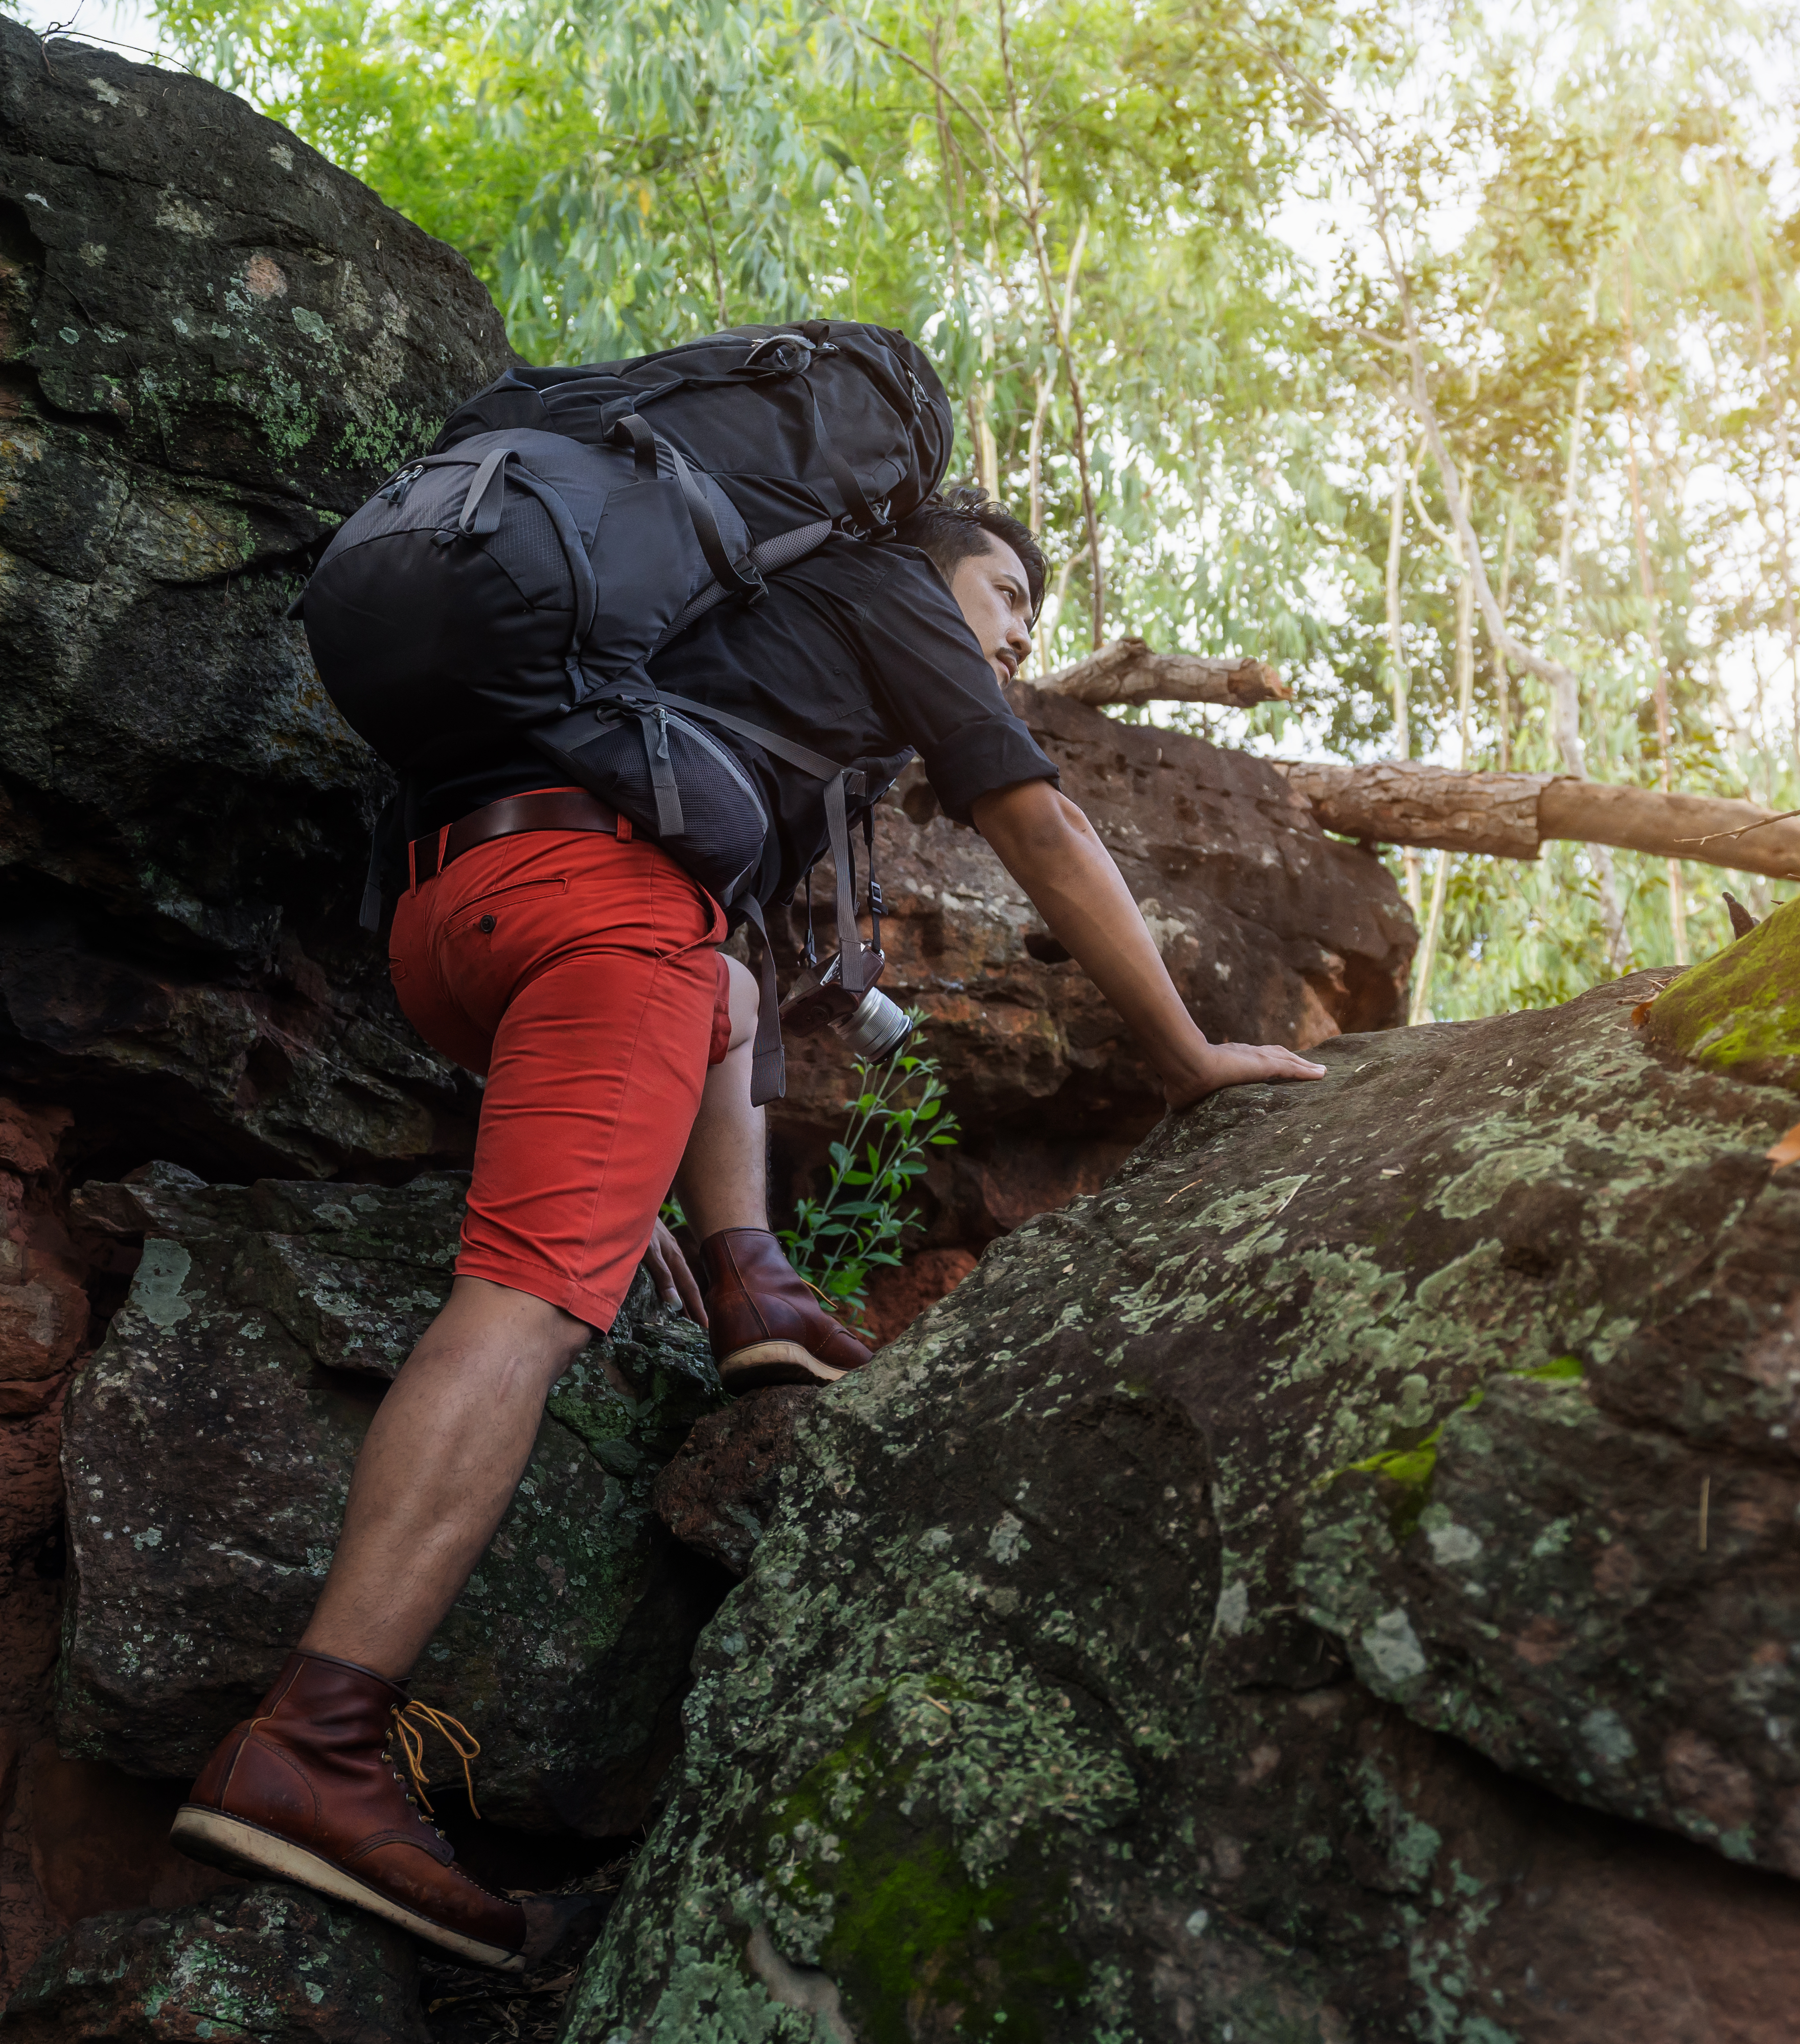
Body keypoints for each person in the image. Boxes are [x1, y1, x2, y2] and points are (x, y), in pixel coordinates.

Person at [168, 488, 1325, 1969]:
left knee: (722, 981)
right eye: (1006, 610)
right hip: (602, 913)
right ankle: (312, 1741)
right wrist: (1188, 1052)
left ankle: (749, 1281)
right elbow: (1042, 820)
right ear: (931, 579)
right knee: (523, 1307)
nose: (1018, 648)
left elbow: (727, 983)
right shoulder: (886, 594)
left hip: (454, 918)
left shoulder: (724, 634)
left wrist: (653, 1173)